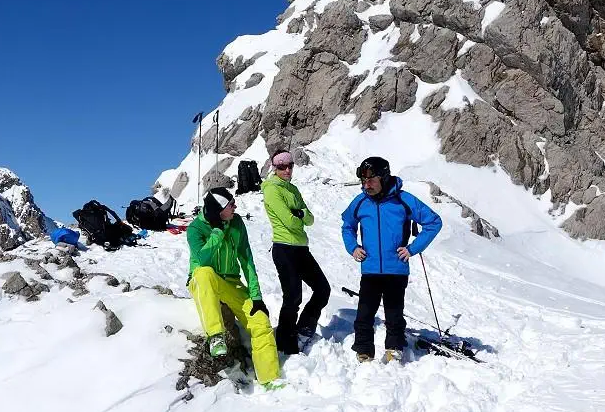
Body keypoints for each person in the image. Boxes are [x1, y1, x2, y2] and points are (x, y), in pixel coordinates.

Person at [340, 156, 442, 363]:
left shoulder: (403, 200)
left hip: (396, 269)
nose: (366, 185)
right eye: (363, 181)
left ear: (384, 178)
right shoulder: (360, 202)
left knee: (394, 313)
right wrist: (353, 247)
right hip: (370, 269)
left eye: (371, 180)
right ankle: (363, 349)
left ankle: (394, 348)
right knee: (365, 313)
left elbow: (434, 222)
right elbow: (347, 226)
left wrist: (413, 248)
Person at [187, 187, 282, 389]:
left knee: (260, 321)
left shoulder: (237, 222)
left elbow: (246, 259)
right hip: (204, 281)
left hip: (231, 283)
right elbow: (203, 259)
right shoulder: (195, 229)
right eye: (230, 204)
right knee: (204, 273)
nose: (235, 206)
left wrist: (256, 296)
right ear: (219, 209)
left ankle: (269, 379)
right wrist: (217, 232)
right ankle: (215, 337)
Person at [261, 151, 328, 355]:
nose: (287, 169)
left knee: (322, 289)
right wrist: (299, 215)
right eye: (282, 167)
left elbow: (310, 219)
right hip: (284, 248)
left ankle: (305, 328)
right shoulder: (272, 189)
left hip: (301, 248)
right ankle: (285, 342)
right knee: (293, 297)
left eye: (290, 165)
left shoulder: (293, 189)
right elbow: (289, 221)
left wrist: (299, 215)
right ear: (274, 168)